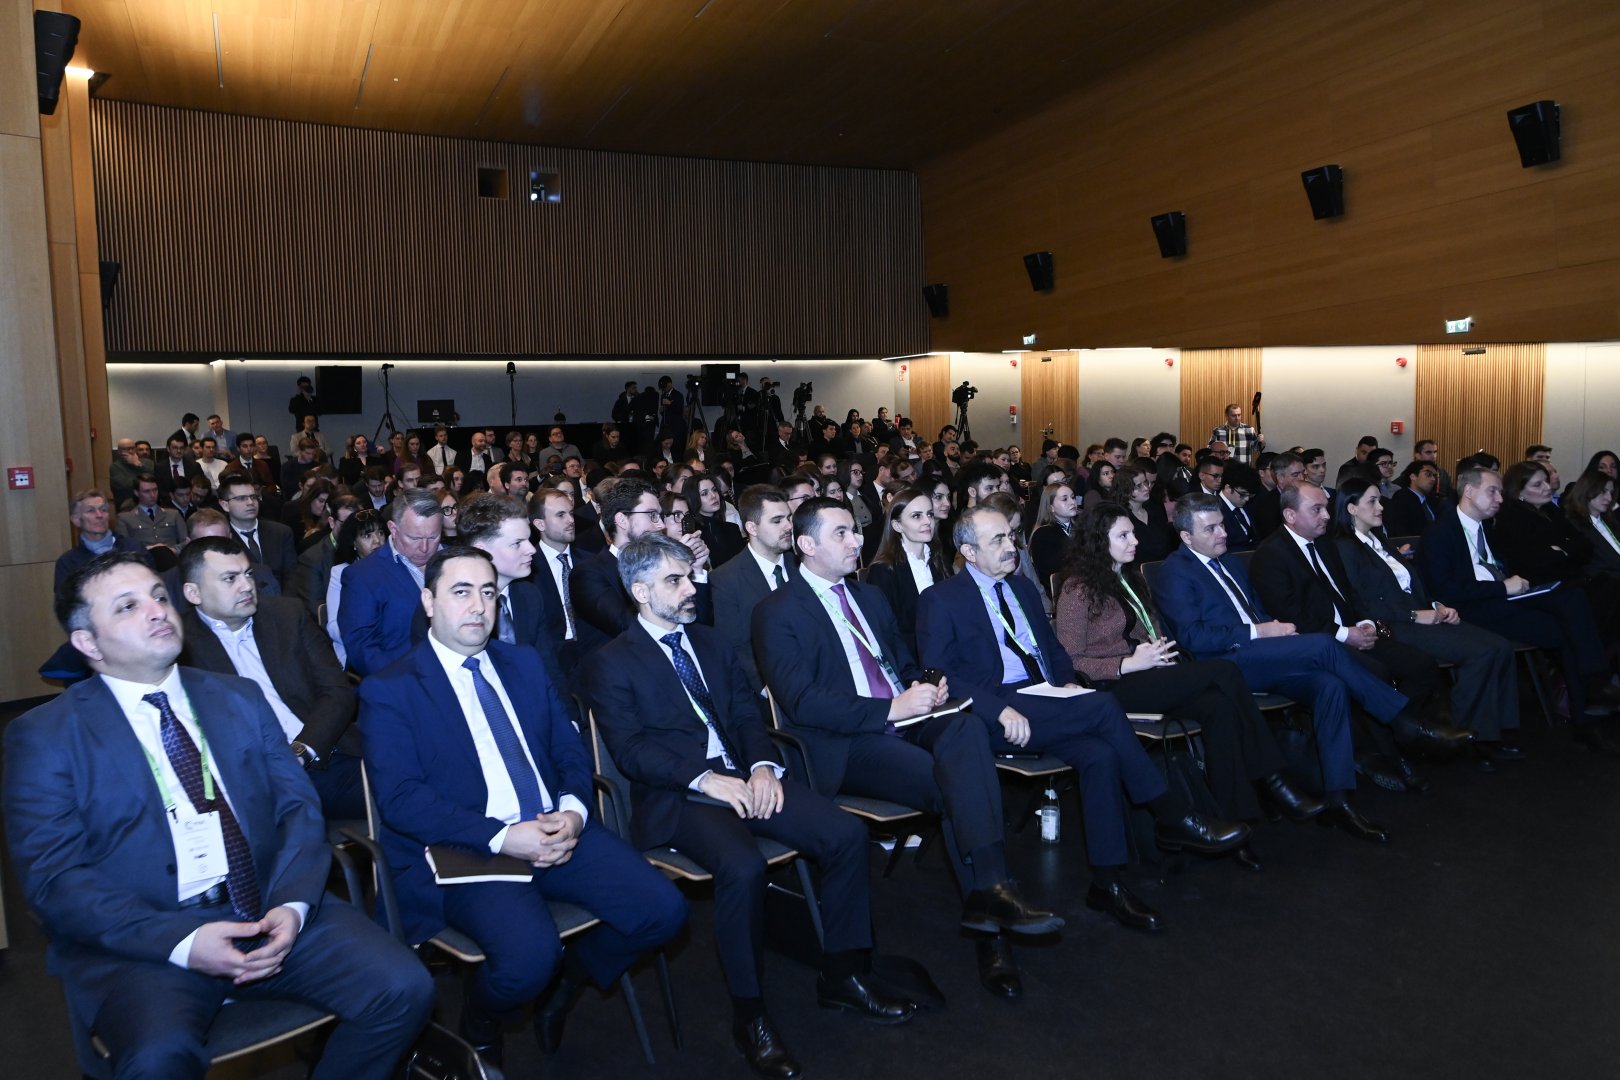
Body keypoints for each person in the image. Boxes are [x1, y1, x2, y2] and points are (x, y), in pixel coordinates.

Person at [6, 553, 434, 1079]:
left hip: (267, 903)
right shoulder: (45, 737)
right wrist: (182, 942)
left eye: (158, 596)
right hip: (148, 939)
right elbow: (54, 879)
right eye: (127, 607)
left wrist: (293, 903)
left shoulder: (237, 697)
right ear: (88, 643)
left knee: (405, 989)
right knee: (157, 1060)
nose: (157, 610)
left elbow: (298, 807)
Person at [584, 534, 912, 1075]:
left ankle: (843, 974)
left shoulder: (710, 643)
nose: (690, 589)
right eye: (675, 581)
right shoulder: (612, 662)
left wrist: (762, 765)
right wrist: (704, 778)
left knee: (846, 835)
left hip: (746, 776)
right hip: (679, 794)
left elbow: (745, 716)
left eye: (689, 577)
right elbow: (631, 750)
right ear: (640, 591)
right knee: (743, 866)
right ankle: (750, 1014)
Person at [359, 547, 688, 1066]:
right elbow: (401, 799)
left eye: (488, 593)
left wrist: (574, 812)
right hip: (468, 848)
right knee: (529, 959)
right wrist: (502, 836)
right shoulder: (392, 688)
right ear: (428, 602)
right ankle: (481, 1018)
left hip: (554, 828)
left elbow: (568, 750)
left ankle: (570, 979)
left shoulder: (523, 664)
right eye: (461, 592)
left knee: (664, 911)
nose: (478, 606)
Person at [754, 497, 1063, 1000]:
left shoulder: (869, 597)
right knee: (957, 782)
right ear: (806, 544)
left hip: (907, 717)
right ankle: (993, 927)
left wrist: (928, 685)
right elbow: (802, 702)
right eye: (841, 533)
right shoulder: (777, 611)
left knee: (965, 732)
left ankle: (991, 895)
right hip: (847, 742)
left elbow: (902, 663)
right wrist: (890, 710)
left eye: (855, 530)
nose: (857, 540)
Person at [919, 506, 1248, 929]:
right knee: (1104, 706)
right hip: (995, 712)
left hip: (1046, 700)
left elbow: (1055, 652)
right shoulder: (941, 600)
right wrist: (998, 709)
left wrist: (1069, 683)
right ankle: (1170, 813)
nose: (1010, 546)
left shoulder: (1021, 588)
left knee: (1100, 755)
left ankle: (1107, 883)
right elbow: (941, 676)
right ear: (968, 551)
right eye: (997, 540)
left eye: (1010, 536)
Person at [1153, 494, 1414, 842]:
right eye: (1211, 528)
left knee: (1330, 685)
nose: (1223, 533)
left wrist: (1273, 630)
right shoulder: (1175, 572)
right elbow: (1193, 638)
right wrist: (1259, 632)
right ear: (1186, 537)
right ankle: (1400, 718)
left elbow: (1256, 611)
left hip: (1262, 655)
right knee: (1323, 644)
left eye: (1222, 525)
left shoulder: (1229, 563)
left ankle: (1338, 800)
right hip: (1224, 664)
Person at [1054, 503, 1321, 837]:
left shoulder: (1129, 579)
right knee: (1224, 672)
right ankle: (1272, 778)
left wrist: (1160, 652)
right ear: (1097, 541)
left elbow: (1150, 633)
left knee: (1219, 707)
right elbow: (1069, 660)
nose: (1135, 541)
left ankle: (1237, 816)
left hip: (1151, 675)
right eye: (1123, 535)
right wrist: (1126, 664)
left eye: (1133, 533)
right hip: (1111, 687)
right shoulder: (1077, 590)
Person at [1249, 483, 1469, 776]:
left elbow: (1350, 594)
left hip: (1356, 629)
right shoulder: (1271, 555)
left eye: (1326, 508)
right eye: (1316, 509)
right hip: (1319, 642)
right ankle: (1393, 753)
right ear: (1290, 515)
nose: (1327, 516)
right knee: (1376, 672)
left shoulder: (1324, 543)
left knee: (1421, 665)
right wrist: (1345, 634)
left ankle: (1400, 737)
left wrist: (1364, 625)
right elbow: (1290, 616)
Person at [1329, 478, 1522, 761]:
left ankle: (1494, 732)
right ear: (1352, 508)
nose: (1381, 506)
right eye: (1372, 501)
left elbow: (1411, 585)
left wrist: (1437, 606)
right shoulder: (1345, 547)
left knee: (1500, 646)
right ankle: (1468, 735)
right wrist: (1414, 615)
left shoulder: (1378, 540)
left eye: (1379, 500)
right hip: (1391, 625)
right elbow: (1363, 603)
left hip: (1416, 616)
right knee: (1481, 652)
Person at [176, 536, 364, 819]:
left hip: (324, 752)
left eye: (248, 574)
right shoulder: (179, 647)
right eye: (230, 578)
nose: (246, 585)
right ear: (194, 593)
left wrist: (302, 750)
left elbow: (337, 691)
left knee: (409, 790)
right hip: (254, 783)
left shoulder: (286, 615)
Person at [575, 475, 713, 644]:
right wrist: (674, 564)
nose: (661, 525)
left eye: (660, 516)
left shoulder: (665, 562)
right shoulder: (588, 574)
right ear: (622, 520)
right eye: (652, 515)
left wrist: (696, 570)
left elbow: (700, 629)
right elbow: (628, 627)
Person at [338, 488, 443, 676]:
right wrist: (403, 681)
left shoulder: (457, 562)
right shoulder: (362, 576)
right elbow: (363, 649)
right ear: (393, 529)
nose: (425, 547)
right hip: (404, 678)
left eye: (433, 537)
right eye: (415, 538)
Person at [711, 485, 798, 689]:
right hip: (769, 687)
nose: (788, 526)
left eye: (789, 518)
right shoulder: (725, 580)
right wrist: (767, 688)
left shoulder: (803, 564)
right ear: (752, 528)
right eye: (777, 520)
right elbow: (735, 647)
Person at [861, 487, 950, 655]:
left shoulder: (940, 559)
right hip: (912, 657)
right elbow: (888, 633)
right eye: (917, 516)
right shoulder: (883, 571)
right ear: (897, 525)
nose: (927, 521)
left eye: (930, 514)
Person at [56, 489, 151, 597]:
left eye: (103, 510)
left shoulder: (133, 549)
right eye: (91, 511)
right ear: (76, 520)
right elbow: (64, 604)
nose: (99, 515)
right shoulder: (68, 563)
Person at [217, 470, 296, 591]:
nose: (250, 503)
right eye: (241, 498)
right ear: (225, 505)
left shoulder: (281, 532)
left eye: (253, 497)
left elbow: (292, 577)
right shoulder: (221, 539)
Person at [1116, 461, 1176, 562]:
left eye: (1146, 482)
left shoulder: (1156, 507)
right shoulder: (1120, 516)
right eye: (1138, 486)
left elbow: (1167, 543)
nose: (1146, 488)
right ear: (1125, 490)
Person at [1566, 469, 1620, 579]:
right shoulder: (1573, 526)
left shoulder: (1611, 521)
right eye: (1603, 491)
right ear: (1586, 491)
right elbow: (1593, 568)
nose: (1609, 498)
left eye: (1611, 492)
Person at [1027, 481, 1078, 590]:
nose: (1072, 502)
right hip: (1063, 590)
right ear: (1051, 507)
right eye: (1065, 499)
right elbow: (1052, 574)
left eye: (1073, 497)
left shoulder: (1082, 527)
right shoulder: (1042, 535)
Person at [117, 473, 189, 550]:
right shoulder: (125, 518)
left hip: (171, 555)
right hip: (142, 556)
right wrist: (146, 549)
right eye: (146, 491)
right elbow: (123, 547)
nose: (152, 495)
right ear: (136, 493)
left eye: (155, 490)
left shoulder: (173, 514)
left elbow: (186, 542)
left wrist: (174, 549)